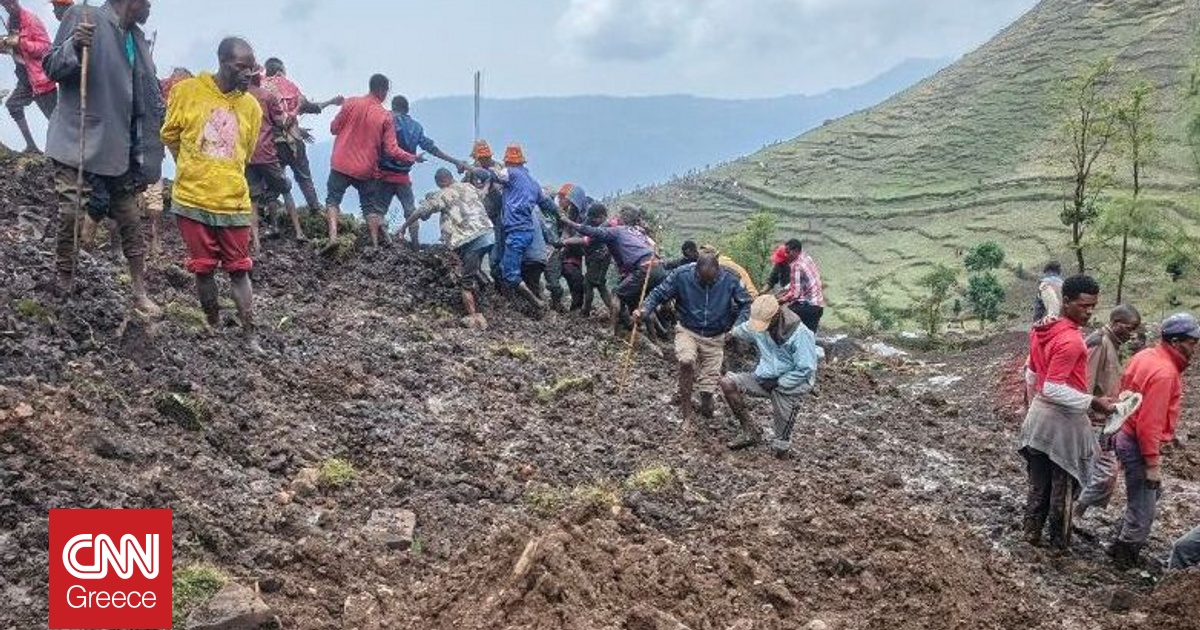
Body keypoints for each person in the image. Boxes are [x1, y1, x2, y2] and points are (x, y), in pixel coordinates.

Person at [44, 0, 162, 315]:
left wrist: (148, 151)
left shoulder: (136, 38)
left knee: (129, 218)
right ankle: (65, 278)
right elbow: (51, 66)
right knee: (71, 210)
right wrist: (74, 45)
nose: (150, 4)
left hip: (119, 144)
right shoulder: (85, 17)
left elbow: (146, 95)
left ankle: (139, 292)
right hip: (78, 135)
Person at [161, 37, 263, 349]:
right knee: (203, 268)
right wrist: (192, 167)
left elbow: (245, 152)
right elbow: (171, 135)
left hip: (232, 201)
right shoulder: (187, 92)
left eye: (251, 69)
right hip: (192, 199)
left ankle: (249, 334)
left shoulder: (251, 107)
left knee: (239, 268)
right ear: (222, 62)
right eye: (241, 68)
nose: (248, 75)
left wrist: (222, 173)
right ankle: (214, 326)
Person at [1018, 275, 1114, 551]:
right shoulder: (1071, 341)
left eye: (1093, 306)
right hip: (1061, 425)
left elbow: (1033, 374)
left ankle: (1030, 536)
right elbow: (1053, 388)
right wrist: (1095, 402)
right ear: (1067, 302)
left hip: (1038, 421)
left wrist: (1032, 408)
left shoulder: (1040, 331)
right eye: (1084, 306)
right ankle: (1059, 547)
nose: (1089, 312)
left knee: (1038, 485)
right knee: (1063, 489)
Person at [1107, 313, 1198, 568]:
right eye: (1192, 342)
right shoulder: (1165, 373)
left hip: (1124, 433)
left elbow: (1123, 391)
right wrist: (1152, 463)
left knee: (1148, 496)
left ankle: (1120, 541)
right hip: (1137, 441)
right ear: (1176, 341)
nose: (1195, 347)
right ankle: (1124, 559)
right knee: (1145, 507)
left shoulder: (1145, 356)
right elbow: (1150, 424)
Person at [637, 251, 752, 424]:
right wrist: (645, 309)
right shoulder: (681, 275)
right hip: (688, 329)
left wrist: (736, 328)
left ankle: (704, 405)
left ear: (718, 272)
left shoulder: (730, 278)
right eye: (702, 280)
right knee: (686, 361)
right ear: (695, 271)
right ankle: (686, 413)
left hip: (716, 336)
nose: (707, 283)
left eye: (712, 280)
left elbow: (746, 304)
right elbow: (658, 293)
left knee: (707, 391)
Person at [325, 73, 419, 248]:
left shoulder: (350, 103)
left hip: (341, 163)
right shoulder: (385, 116)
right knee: (370, 208)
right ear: (383, 91)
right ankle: (375, 245)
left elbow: (333, 128)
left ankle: (333, 238)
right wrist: (412, 157)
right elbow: (391, 150)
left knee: (333, 200)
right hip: (366, 169)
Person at [720, 294, 819, 457]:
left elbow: (805, 368)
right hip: (764, 377)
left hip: (791, 384)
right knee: (727, 383)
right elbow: (741, 330)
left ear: (776, 316)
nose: (760, 328)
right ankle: (750, 431)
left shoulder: (799, 333)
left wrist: (779, 382)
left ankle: (782, 446)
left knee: (780, 449)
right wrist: (725, 337)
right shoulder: (756, 325)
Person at [397, 168, 494, 329]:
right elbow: (483, 192)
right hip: (489, 235)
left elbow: (422, 212)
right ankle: (484, 289)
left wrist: (404, 226)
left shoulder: (443, 194)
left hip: (470, 240)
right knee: (474, 268)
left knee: (465, 283)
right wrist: (489, 181)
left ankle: (474, 318)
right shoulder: (469, 187)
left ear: (440, 182)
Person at [1074, 305, 1142, 520]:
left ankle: (1075, 511)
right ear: (1116, 323)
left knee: (1099, 470)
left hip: (1105, 420)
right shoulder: (1099, 343)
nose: (1131, 334)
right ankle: (1074, 511)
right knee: (1103, 472)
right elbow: (1085, 384)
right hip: (1093, 420)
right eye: (1129, 328)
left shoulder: (1112, 344)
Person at [378, 95, 468, 247]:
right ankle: (415, 246)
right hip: (403, 178)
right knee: (410, 211)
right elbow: (431, 148)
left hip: (384, 176)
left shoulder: (388, 120)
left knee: (378, 211)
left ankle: (379, 244)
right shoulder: (416, 127)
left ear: (393, 108)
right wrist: (455, 161)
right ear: (407, 110)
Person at [561, 204, 665, 333]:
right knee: (642, 303)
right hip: (659, 267)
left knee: (616, 294)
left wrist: (568, 223)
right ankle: (657, 335)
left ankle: (611, 330)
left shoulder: (617, 229)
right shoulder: (638, 231)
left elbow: (591, 233)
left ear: (622, 217)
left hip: (644, 267)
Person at [262, 56, 342, 214]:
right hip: (294, 141)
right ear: (280, 72)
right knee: (304, 177)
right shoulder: (290, 86)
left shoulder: (260, 88)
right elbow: (312, 107)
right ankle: (315, 208)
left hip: (271, 142)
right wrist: (331, 101)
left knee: (274, 180)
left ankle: (271, 219)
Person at [245, 68, 298, 248]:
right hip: (266, 153)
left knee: (252, 199)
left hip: (246, 156)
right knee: (285, 187)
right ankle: (298, 231)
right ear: (257, 77)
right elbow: (280, 123)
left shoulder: (237, 98)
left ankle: (257, 244)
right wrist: (292, 118)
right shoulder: (267, 96)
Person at [496, 144, 553, 308]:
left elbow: (492, 175)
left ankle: (537, 304)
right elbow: (547, 204)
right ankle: (540, 305)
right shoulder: (533, 185)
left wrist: (473, 170)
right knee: (531, 280)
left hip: (519, 236)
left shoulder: (509, 173)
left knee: (509, 274)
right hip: (536, 248)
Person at [1, 0, 55, 153]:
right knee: (13, 106)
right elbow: (15, 50)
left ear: (16, 2)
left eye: (10, 3)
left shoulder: (31, 19)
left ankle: (68, 153)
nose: (8, 7)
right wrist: (4, 47)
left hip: (40, 80)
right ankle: (32, 146)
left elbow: (46, 48)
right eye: (5, 5)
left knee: (55, 120)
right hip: (25, 80)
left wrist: (22, 43)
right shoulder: (11, 21)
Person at [555, 184, 592, 312]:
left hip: (578, 250)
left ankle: (577, 307)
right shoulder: (571, 212)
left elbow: (581, 235)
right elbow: (566, 229)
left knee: (576, 279)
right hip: (568, 250)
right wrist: (563, 241)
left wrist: (566, 242)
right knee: (570, 274)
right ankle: (567, 304)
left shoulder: (587, 216)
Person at [776, 239, 826, 333]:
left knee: (782, 315)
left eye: (788, 252)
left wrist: (779, 301)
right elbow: (798, 282)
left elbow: (795, 294)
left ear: (796, 251)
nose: (786, 255)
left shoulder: (796, 265)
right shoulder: (807, 258)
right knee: (810, 334)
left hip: (809, 306)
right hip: (818, 305)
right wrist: (785, 289)